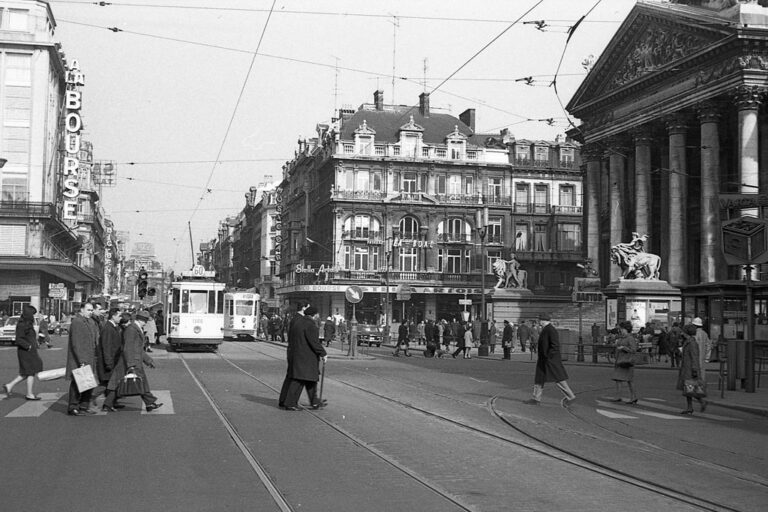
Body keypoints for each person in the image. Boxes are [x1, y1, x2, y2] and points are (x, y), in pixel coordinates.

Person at [106, 311, 162, 412]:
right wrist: (131, 365)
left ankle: (149, 403)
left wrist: (148, 360)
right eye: (145, 321)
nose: (146, 323)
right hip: (130, 361)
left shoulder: (135, 328)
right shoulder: (131, 330)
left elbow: (138, 348)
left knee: (128, 382)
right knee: (123, 382)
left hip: (133, 360)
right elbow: (128, 348)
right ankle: (149, 403)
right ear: (139, 320)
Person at [523, 312, 576, 406]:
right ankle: (536, 398)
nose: (539, 321)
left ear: (543, 321)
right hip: (544, 359)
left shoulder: (550, 330)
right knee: (539, 379)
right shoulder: (546, 329)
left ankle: (571, 396)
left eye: (540, 320)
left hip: (550, 360)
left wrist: (549, 356)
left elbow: (555, 345)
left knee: (559, 378)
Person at [281, 306, 327, 410]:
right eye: (317, 314)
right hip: (306, 357)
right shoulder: (310, 325)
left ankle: (314, 401)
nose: (318, 316)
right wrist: (323, 353)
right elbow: (314, 342)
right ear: (314, 315)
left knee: (310, 380)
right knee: (299, 380)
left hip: (298, 355)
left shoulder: (298, 322)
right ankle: (290, 403)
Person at [3, 305, 43, 400]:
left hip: (29, 351)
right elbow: (19, 339)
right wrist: (28, 346)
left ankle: (10, 386)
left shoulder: (26, 323)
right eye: (32, 314)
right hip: (26, 351)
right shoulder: (22, 324)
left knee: (27, 372)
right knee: (30, 371)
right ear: (29, 314)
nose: (33, 316)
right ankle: (29, 393)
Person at [65, 302, 99, 416]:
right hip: (80, 359)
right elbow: (76, 344)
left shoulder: (90, 321)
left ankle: (84, 406)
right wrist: (82, 361)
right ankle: (73, 407)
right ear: (82, 310)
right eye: (88, 310)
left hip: (90, 357)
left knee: (88, 383)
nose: (91, 312)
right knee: (76, 383)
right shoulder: (77, 322)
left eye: (91, 310)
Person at [98, 308, 125, 411]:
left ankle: (111, 403)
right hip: (109, 361)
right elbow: (107, 346)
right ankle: (90, 398)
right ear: (113, 316)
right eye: (119, 316)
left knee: (110, 383)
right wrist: (108, 362)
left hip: (113, 360)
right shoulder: (108, 328)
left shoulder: (114, 327)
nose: (120, 318)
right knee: (107, 384)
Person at [678, 323, 707, 414]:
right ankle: (689, 407)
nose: (681, 333)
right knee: (688, 389)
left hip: (690, 369)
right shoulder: (688, 342)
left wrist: (694, 370)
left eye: (683, 331)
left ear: (686, 332)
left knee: (691, 389)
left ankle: (702, 402)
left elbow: (694, 357)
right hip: (687, 368)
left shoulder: (692, 343)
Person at [611, 320, 639, 404]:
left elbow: (634, 350)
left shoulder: (630, 338)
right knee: (619, 379)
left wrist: (623, 348)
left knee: (628, 380)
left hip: (627, 362)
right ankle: (621, 396)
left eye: (622, 329)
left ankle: (632, 397)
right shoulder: (622, 338)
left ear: (626, 329)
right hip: (620, 361)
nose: (621, 331)